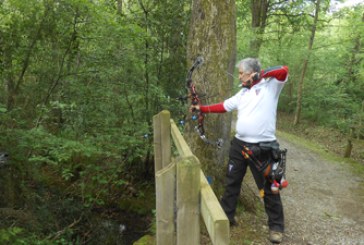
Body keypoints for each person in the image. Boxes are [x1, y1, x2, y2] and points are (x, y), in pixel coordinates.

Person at [190, 58, 288, 244]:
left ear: (252, 73)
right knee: (232, 181)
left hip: (263, 148)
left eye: (242, 72)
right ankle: (227, 217)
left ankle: (276, 226)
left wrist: (262, 74)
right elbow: (224, 106)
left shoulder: (271, 87)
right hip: (239, 145)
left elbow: (283, 69)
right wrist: (201, 108)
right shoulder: (243, 93)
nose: (240, 76)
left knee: (269, 188)